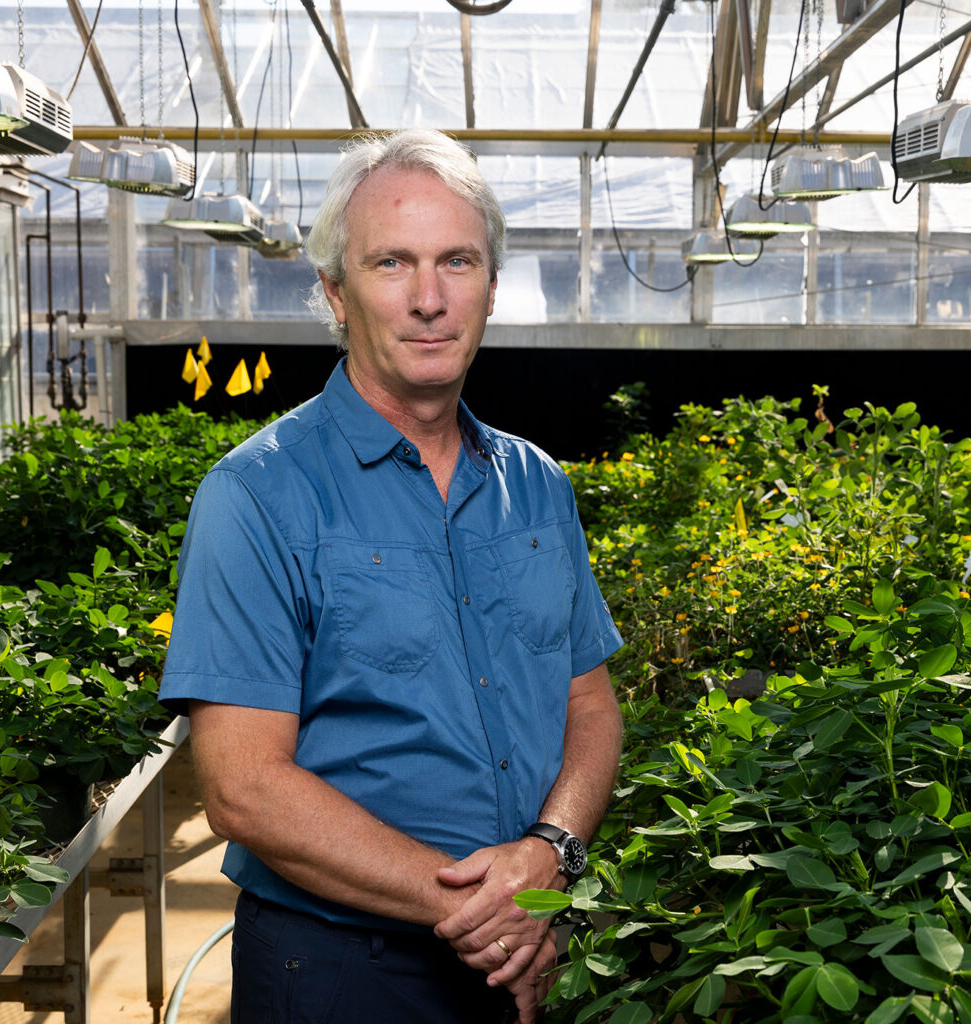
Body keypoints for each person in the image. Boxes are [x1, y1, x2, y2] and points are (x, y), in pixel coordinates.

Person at [158, 128, 625, 1024]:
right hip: (339, 971)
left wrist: (550, 852)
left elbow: (590, 707)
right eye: (390, 264)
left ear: (492, 285)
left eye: (457, 261)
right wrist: (482, 908)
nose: (428, 299)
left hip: (530, 948)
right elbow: (244, 787)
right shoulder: (258, 494)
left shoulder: (536, 486)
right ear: (335, 292)